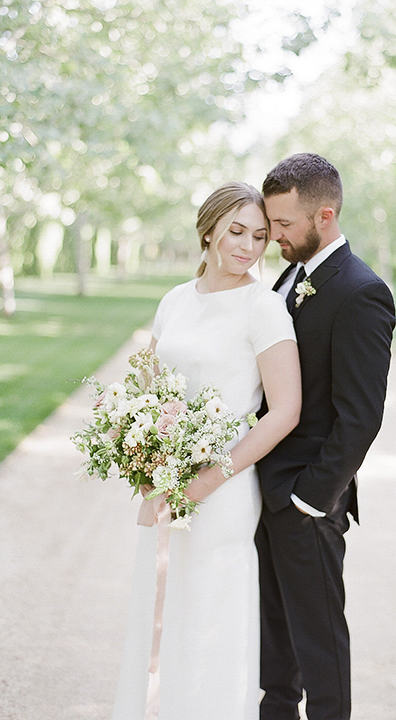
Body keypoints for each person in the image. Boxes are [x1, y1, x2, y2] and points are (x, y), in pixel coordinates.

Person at [111, 182, 301, 720]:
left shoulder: (263, 309)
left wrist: (209, 478)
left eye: (260, 236)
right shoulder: (175, 299)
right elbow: (145, 385)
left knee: (212, 615)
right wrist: (141, 455)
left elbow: (285, 411)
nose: (247, 246)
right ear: (209, 229)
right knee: (162, 607)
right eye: (236, 231)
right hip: (165, 479)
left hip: (225, 487)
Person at [255, 153, 396, 720]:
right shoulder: (290, 274)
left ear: (326, 216)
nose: (274, 237)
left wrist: (310, 500)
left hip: (307, 501)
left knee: (319, 644)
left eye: (284, 225)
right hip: (267, 489)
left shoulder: (361, 292)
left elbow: (360, 416)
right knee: (276, 644)